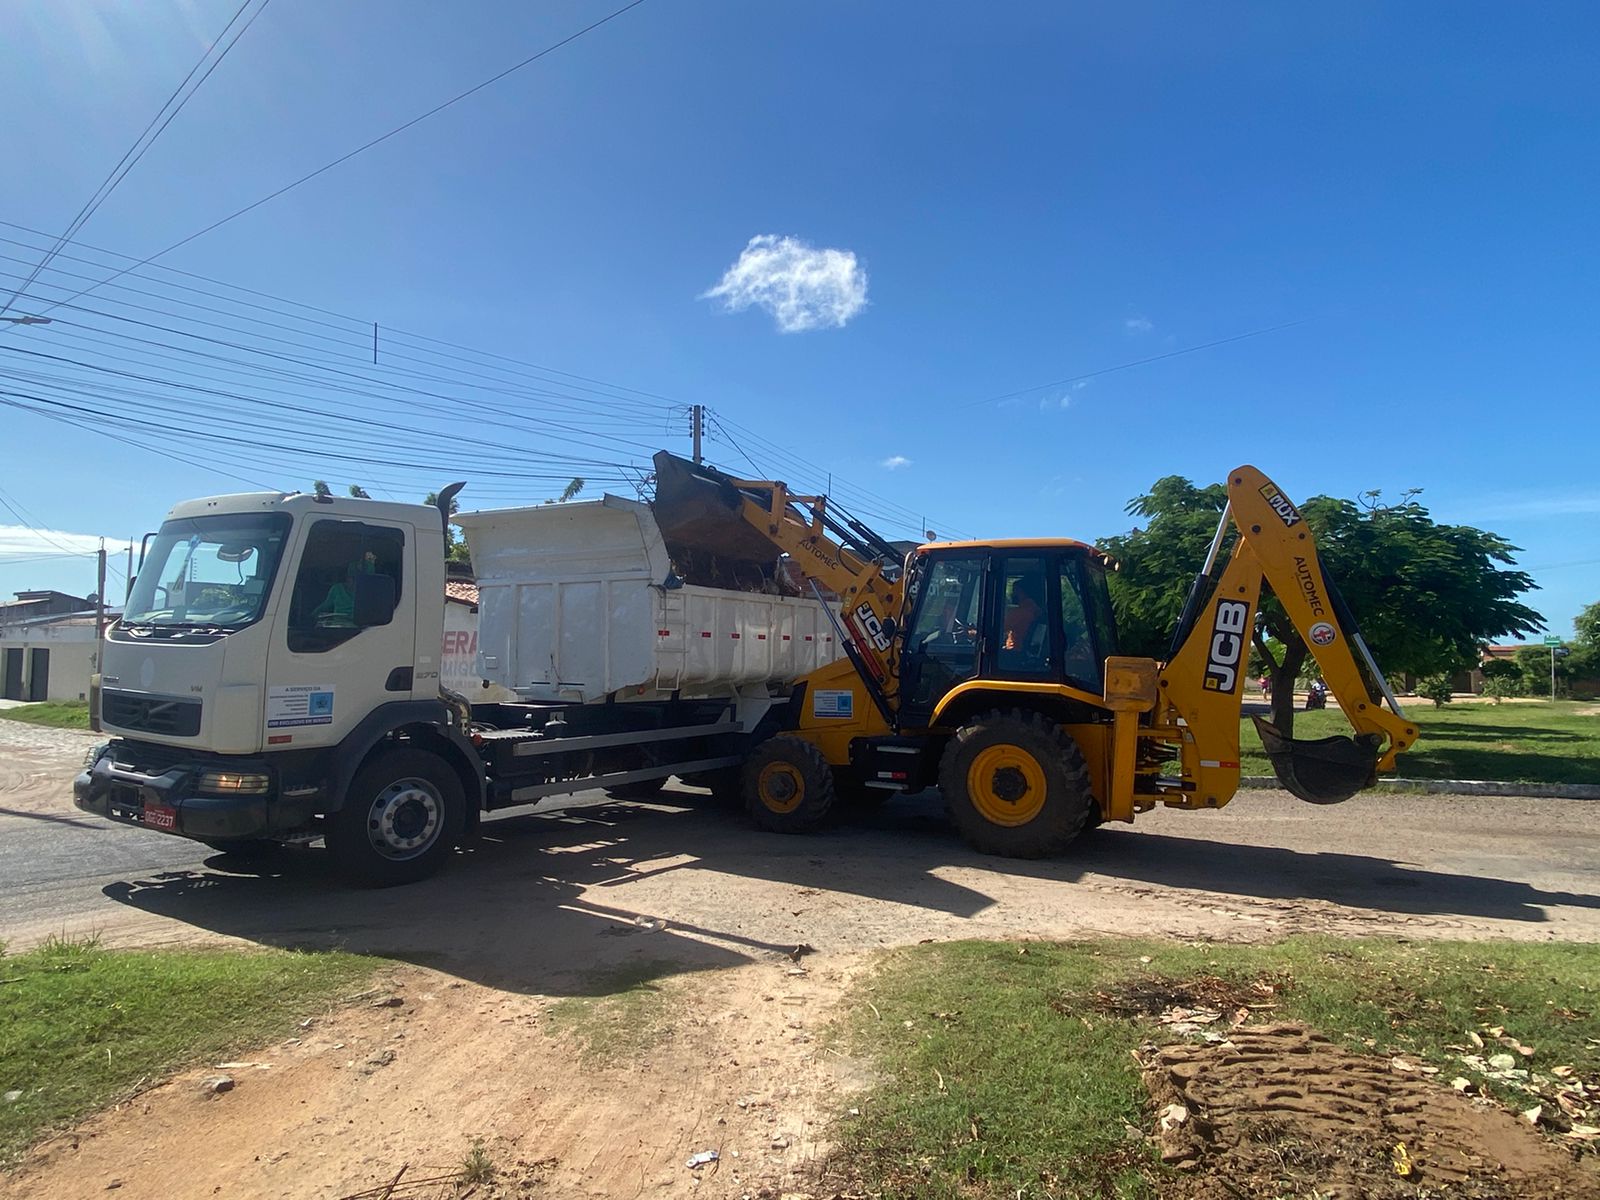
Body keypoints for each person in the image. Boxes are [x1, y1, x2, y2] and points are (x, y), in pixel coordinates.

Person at [1003, 576, 1042, 652]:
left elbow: (999, 629)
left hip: (1015, 651)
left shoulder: (1020, 613)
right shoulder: (1035, 609)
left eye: (1015, 591)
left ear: (1021, 592)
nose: (1012, 594)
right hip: (1020, 651)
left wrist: (974, 633)